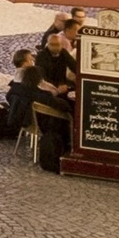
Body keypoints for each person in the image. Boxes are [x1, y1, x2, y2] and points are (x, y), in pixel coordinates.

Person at [30, 26, 77, 173]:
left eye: (58, 45)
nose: (56, 48)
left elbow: (74, 66)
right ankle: (68, 135)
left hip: (62, 88)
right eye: (53, 45)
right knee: (67, 107)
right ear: (47, 45)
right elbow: (43, 79)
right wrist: (57, 87)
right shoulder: (42, 57)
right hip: (49, 92)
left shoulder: (62, 53)